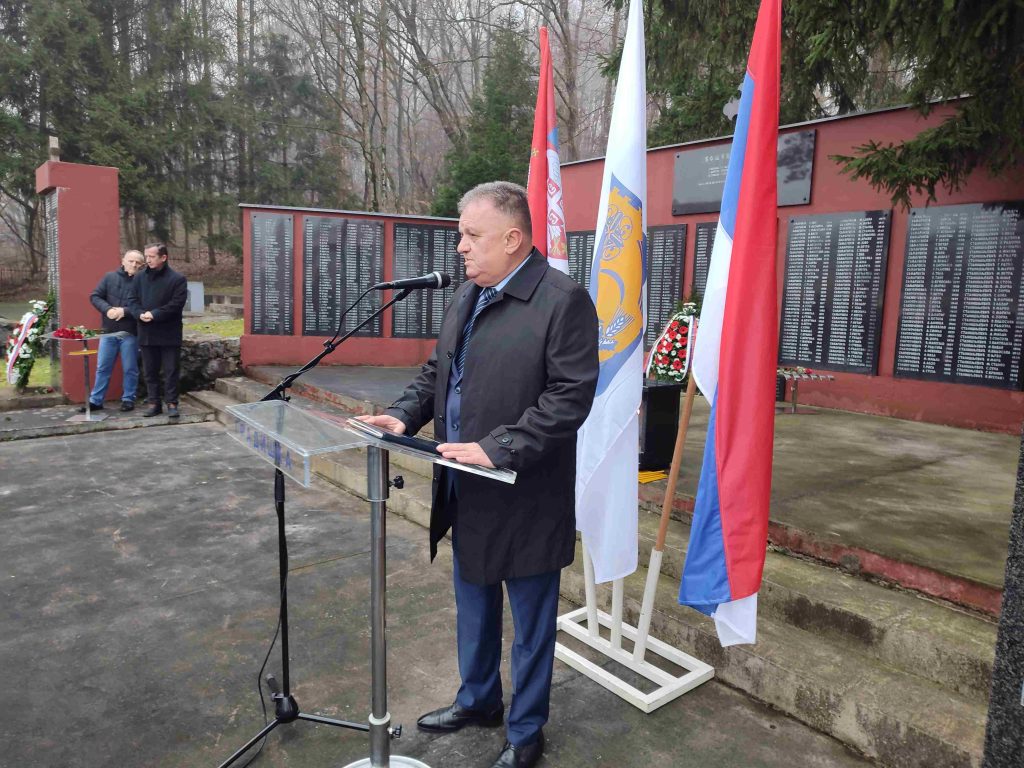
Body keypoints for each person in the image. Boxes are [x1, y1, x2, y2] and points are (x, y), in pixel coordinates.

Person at [360, 181, 598, 768]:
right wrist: (403, 414)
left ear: (513, 238)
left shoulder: (562, 301)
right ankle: (478, 700)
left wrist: (499, 447)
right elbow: (438, 372)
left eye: (472, 235)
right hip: (463, 483)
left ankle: (525, 732)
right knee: (473, 603)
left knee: (531, 622)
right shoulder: (469, 294)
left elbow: (570, 397)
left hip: (525, 491)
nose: (461, 247)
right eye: (461, 235)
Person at [127, 243, 188, 419]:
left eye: (152, 256)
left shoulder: (177, 279)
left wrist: (154, 314)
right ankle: (154, 403)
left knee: (171, 370)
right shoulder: (139, 278)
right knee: (150, 371)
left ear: (163, 257)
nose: (148, 260)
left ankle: (172, 403)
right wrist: (139, 314)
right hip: (146, 330)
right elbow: (132, 300)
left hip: (169, 332)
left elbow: (176, 304)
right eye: (146, 256)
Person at [81, 249, 145, 412]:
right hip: (109, 331)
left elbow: (146, 306)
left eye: (138, 262)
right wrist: (107, 309)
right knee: (103, 367)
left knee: (130, 368)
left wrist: (125, 311)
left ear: (142, 265)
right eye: (131, 261)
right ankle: (96, 400)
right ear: (123, 261)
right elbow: (95, 296)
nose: (134, 265)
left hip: (130, 332)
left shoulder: (144, 282)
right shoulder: (110, 277)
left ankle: (128, 399)